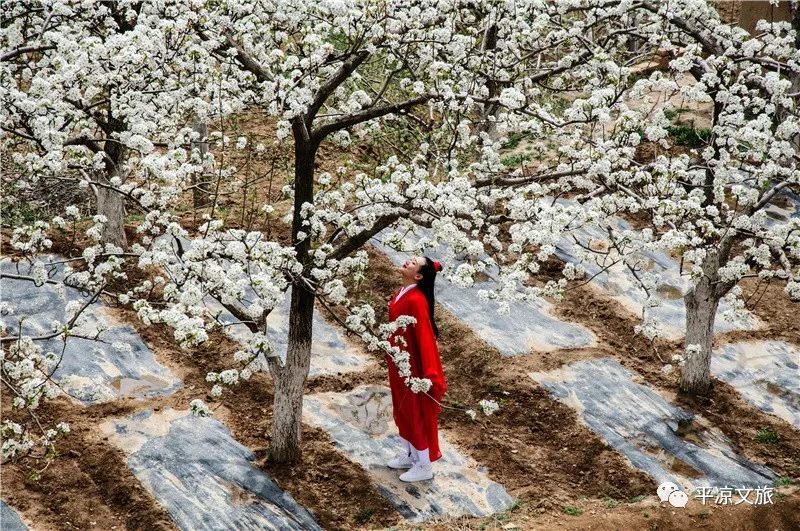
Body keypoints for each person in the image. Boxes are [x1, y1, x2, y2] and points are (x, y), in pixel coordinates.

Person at [385, 255, 447, 482]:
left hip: (412, 366)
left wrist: (428, 373)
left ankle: (424, 465)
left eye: (413, 263)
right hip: (398, 361)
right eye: (410, 259)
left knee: (414, 411)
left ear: (419, 276)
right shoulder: (403, 292)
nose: (407, 262)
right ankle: (410, 454)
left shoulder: (416, 300)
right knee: (401, 408)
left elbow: (425, 337)